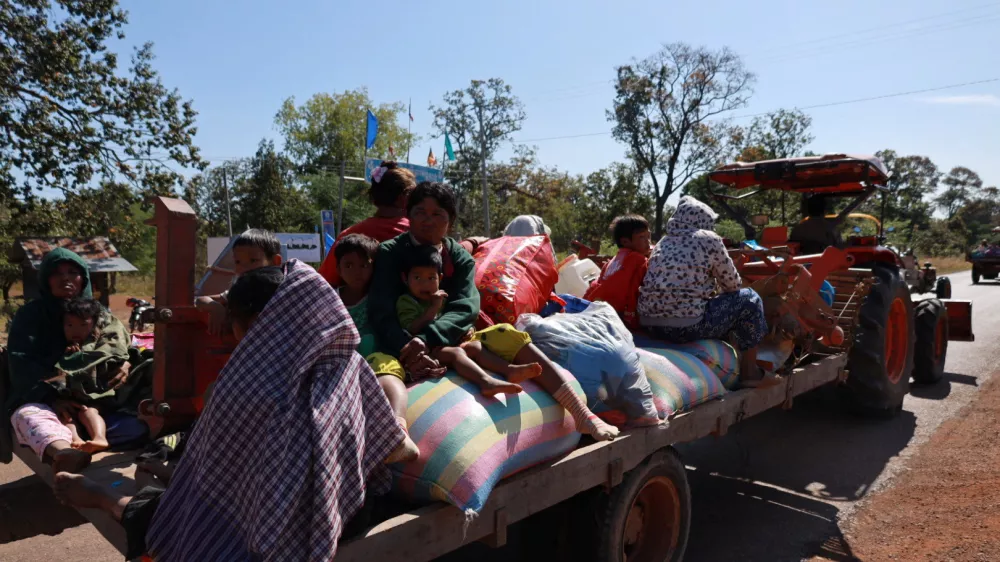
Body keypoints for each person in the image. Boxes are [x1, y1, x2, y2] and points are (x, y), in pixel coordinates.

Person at [55, 262, 408, 561]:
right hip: (346, 514)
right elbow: (395, 445)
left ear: (255, 324)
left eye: (234, 324)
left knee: (170, 517)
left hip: (262, 538)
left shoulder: (245, 386)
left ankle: (105, 497)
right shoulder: (348, 363)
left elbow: (215, 479)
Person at [369, 182, 618, 441]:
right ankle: (398, 434)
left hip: (449, 337)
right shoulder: (391, 252)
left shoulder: (458, 256)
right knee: (383, 366)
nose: (427, 221)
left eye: (437, 214)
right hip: (401, 342)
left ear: (450, 221)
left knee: (509, 335)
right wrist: (408, 347)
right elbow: (381, 309)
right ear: (408, 215)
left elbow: (465, 306)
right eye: (420, 212)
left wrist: (427, 338)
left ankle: (582, 413)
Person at [5, 248, 146, 474]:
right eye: (56, 273)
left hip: (97, 399)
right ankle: (65, 452)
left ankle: (94, 439)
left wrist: (126, 364)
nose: (65, 278)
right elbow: (21, 363)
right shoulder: (30, 316)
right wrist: (52, 398)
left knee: (140, 423)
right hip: (48, 401)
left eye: (73, 272)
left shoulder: (99, 313)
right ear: (46, 280)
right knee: (28, 417)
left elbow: (122, 345)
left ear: (84, 278)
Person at [397, 245, 541, 396]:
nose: (425, 284)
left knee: (476, 346)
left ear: (440, 278)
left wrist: (466, 329)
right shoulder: (407, 301)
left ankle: (509, 370)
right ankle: (486, 382)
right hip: (426, 352)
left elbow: (454, 319)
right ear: (405, 279)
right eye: (417, 278)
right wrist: (433, 308)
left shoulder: (442, 297)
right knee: (456, 352)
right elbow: (413, 328)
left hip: (448, 343)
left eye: (431, 278)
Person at [639, 196, 767, 354]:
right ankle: (750, 366)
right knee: (750, 298)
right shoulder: (709, 239)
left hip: (650, 325)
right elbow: (733, 285)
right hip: (687, 327)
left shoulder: (662, 242)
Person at [334, 233, 420, 461]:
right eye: (349, 265)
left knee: (389, 377)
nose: (357, 272)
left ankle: (398, 432)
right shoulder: (331, 298)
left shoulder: (380, 298)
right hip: (340, 363)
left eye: (364, 265)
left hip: (377, 361)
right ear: (338, 268)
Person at [318, 162, 418, 287]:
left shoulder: (348, 236)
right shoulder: (418, 233)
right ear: (404, 197)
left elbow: (324, 284)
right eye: (414, 196)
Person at [55, 297, 132, 453]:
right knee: (66, 416)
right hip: (72, 397)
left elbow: (113, 357)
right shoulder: (62, 344)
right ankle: (76, 440)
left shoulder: (101, 341)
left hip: (97, 396)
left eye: (83, 325)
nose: (76, 330)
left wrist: (77, 357)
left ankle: (99, 438)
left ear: (94, 324)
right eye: (69, 325)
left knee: (88, 412)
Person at [195, 228, 283, 334]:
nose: (243, 268)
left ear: (275, 261)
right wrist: (215, 307)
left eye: (253, 260)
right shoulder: (240, 292)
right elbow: (200, 300)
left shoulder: (284, 290)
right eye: (238, 262)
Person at [584, 214, 652, 329]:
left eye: (648, 236)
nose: (648, 241)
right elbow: (635, 291)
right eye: (642, 237)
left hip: (599, 310)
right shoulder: (638, 260)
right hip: (619, 316)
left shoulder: (613, 261)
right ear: (625, 241)